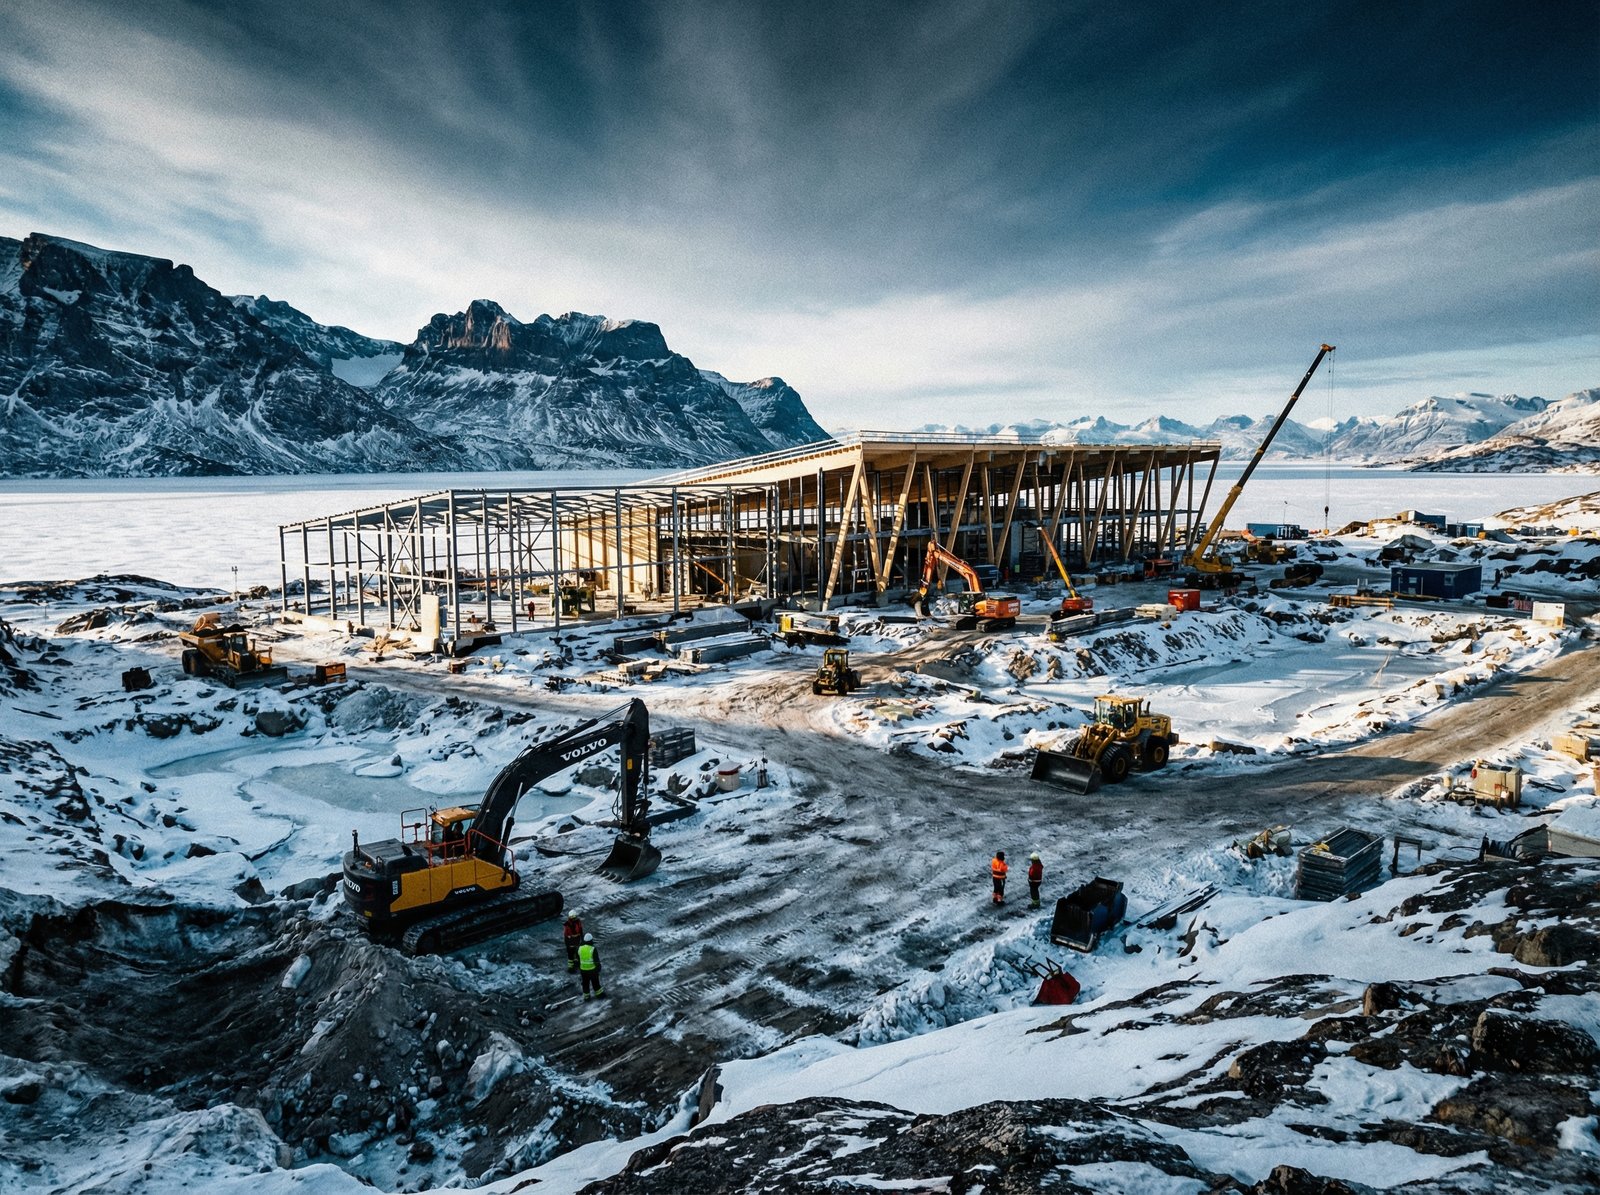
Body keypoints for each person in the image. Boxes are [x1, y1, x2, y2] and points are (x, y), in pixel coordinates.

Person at [577, 933, 604, 1000]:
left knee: (585, 984)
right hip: (592, 970)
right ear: (591, 940)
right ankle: (599, 995)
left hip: (583, 970)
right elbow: (596, 960)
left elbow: (578, 958)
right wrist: (598, 968)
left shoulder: (580, 948)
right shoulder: (592, 949)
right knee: (595, 983)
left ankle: (586, 997)